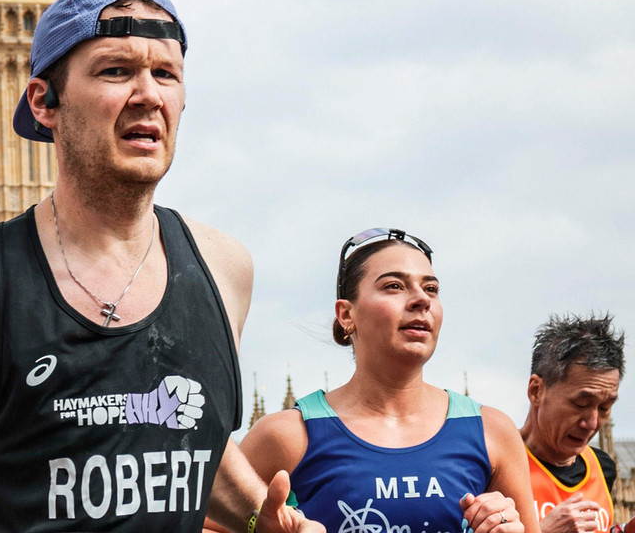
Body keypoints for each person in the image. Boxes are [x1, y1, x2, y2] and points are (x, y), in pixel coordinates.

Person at [0, 0, 319, 533]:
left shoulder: (224, 270)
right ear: (43, 102)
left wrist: (262, 519)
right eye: (115, 71)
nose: (148, 93)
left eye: (165, 73)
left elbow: (184, 438)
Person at [208, 228, 540, 533]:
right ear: (346, 314)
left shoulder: (491, 431)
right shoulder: (288, 435)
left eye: (431, 289)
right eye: (394, 286)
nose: (421, 299)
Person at [520, 313, 627, 533]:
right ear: (536, 391)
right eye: (581, 403)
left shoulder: (603, 467)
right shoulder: (490, 464)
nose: (592, 423)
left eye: (605, 407)